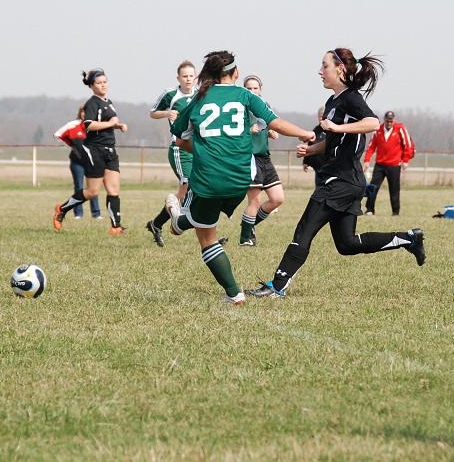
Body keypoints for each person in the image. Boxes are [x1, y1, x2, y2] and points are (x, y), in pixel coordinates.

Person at [247, 48, 426, 299]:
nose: (320, 71)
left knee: (304, 231)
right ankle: (409, 238)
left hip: (339, 181)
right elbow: (334, 140)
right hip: (349, 181)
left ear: (340, 70)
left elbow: (372, 123)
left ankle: (277, 285)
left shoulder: (351, 98)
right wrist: (312, 150)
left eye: (325, 66)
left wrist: (337, 126)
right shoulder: (332, 102)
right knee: (347, 244)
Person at [165, 50, 314, 305]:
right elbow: (275, 123)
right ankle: (182, 220)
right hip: (240, 182)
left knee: (206, 237)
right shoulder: (246, 96)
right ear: (236, 73)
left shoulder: (199, 98)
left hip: (209, 181)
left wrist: (199, 144)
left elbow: (179, 137)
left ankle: (235, 294)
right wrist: (306, 134)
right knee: (202, 216)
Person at [53, 68, 128, 234]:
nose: (103, 85)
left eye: (105, 82)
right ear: (92, 86)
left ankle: (116, 227)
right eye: (99, 83)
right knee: (93, 192)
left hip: (110, 150)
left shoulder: (108, 102)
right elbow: (88, 124)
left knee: (114, 190)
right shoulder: (92, 103)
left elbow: (110, 120)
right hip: (95, 150)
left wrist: (118, 124)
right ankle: (62, 209)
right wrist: (111, 124)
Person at [145, 60, 196, 247]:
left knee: (189, 191)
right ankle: (185, 224)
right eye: (185, 76)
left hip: (196, 148)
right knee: (188, 183)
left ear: (196, 77)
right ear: (178, 78)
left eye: (191, 75)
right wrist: (167, 113)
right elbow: (152, 112)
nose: (188, 79)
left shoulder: (200, 95)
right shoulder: (171, 94)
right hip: (179, 148)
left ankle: (157, 224)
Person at [238, 74, 284, 247]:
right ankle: (245, 238)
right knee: (255, 201)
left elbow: (270, 124)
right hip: (250, 158)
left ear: (260, 89)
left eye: (255, 88)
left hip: (265, 158)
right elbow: (234, 134)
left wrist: (270, 132)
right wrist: (249, 131)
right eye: (248, 88)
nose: (252, 91)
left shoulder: (265, 106)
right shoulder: (240, 109)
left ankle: (249, 226)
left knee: (277, 199)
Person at [363, 110, 415, 216]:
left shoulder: (400, 128)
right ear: (384, 120)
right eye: (387, 121)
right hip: (380, 165)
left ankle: (395, 212)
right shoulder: (378, 129)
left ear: (393, 120)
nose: (389, 123)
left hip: (394, 165)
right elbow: (371, 146)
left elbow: (407, 145)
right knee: (373, 187)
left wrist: (405, 160)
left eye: (391, 121)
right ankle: (369, 209)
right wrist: (367, 160)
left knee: (394, 189)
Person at [61, 105, 102, 220]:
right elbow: (61, 135)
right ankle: (78, 213)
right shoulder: (74, 126)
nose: (85, 114)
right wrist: (73, 146)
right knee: (79, 187)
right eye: (83, 111)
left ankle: (96, 213)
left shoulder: (95, 127)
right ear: (80, 113)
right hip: (77, 163)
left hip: (92, 162)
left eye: (87, 112)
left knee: (93, 188)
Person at [302, 106, 327, 186]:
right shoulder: (316, 130)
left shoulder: (332, 130)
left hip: (329, 167)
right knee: (319, 190)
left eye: (323, 116)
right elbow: (310, 145)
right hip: (318, 168)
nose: (321, 118)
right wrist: (306, 161)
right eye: (319, 116)